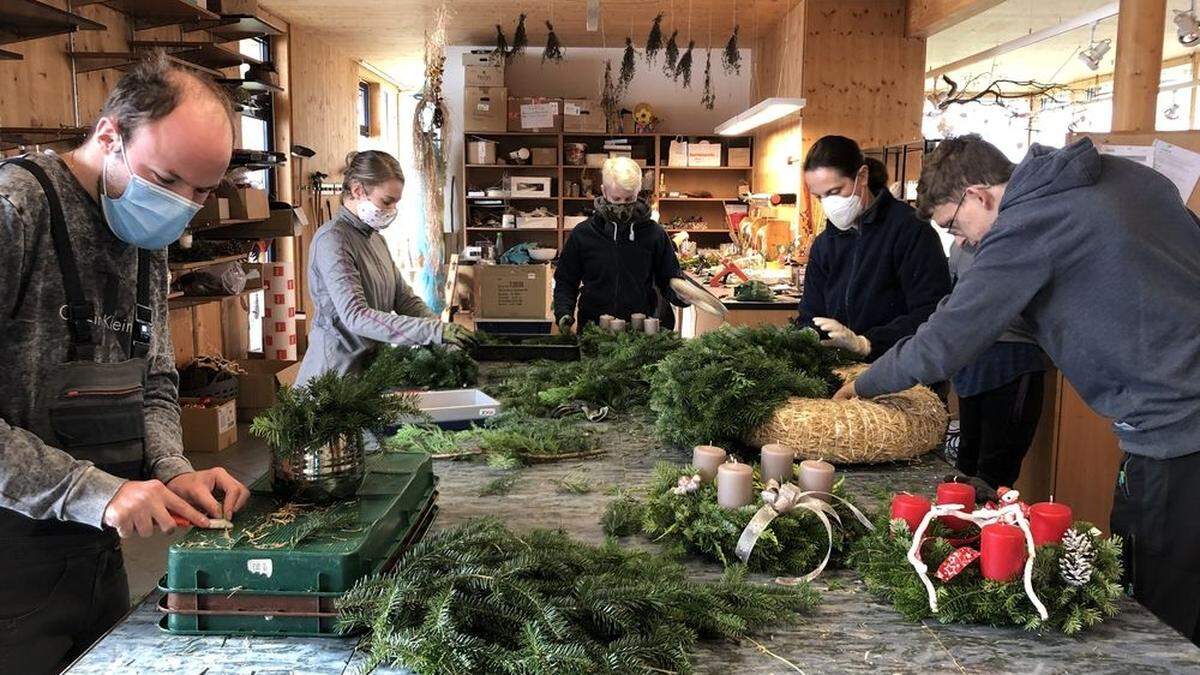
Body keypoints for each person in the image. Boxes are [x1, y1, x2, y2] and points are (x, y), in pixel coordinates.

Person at [836, 134, 1200, 644]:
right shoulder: (1127, 177)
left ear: (979, 195)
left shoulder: (1027, 226)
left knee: (1157, 601)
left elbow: (949, 337)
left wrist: (867, 382)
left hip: (1176, 432)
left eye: (954, 227)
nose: (961, 243)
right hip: (1175, 419)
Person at [0, 52, 251, 672]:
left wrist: (170, 468)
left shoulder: (145, 232)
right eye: (168, 180)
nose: (182, 206)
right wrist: (92, 492)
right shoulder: (16, 210)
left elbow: (155, 380)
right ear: (110, 134)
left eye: (201, 191)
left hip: (96, 549)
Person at [296, 150, 474, 387]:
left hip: (371, 371)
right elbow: (356, 316)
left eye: (396, 203)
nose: (391, 211)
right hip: (335, 375)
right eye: (387, 201)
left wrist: (443, 332)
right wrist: (432, 332)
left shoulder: (376, 239)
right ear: (358, 190)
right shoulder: (333, 240)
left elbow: (404, 299)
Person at [796, 135, 951, 360]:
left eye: (835, 192)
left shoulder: (910, 230)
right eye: (819, 197)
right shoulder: (824, 245)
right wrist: (807, 338)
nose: (828, 204)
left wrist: (867, 343)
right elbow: (810, 313)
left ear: (862, 176)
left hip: (903, 369)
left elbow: (931, 312)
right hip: (842, 371)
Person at [947, 240, 1046, 489]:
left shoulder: (1020, 243)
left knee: (993, 476)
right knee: (966, 469)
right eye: (950, 229)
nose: (957, 237)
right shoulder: (960, 249)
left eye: (954, 224)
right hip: (970, 362)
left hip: (1012, 363)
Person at [553, 156, 685, 331]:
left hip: (641, 331)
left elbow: (669, 279)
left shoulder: (655, 234)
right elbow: (565, 280)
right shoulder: (582, 234)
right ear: (603, 191)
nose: (622, 205)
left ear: (638, 192)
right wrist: (563, 312)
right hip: (594, 329)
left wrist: (682, 296)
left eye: (629, 199)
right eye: (616, 199)